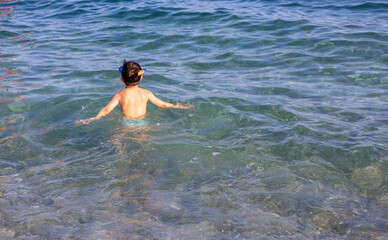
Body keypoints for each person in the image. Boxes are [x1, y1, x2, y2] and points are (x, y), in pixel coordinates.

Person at [75, 60, 192, 126]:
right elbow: (163, 104)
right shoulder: (146, 93)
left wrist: (91, 119)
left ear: (122, 80)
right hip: (143, 123)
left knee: (120, 143)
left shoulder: (119, 95)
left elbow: (106, 110)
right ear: (140, 78)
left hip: (126, 124)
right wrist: (181, 106)